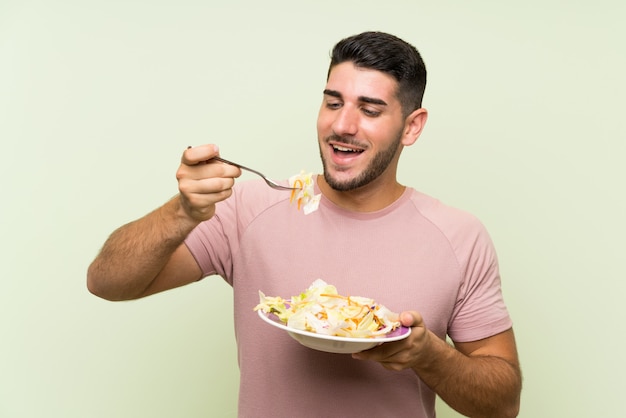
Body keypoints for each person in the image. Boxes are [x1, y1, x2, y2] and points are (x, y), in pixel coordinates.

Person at [87, 31, 522, 418]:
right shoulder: (249, 207)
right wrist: (181, 212)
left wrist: (429, 356)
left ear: (412, 127)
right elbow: (107, 282)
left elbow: (503, 405)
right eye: (333, 102)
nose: (342, 125)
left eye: (370, 110)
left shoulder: (459, 236)